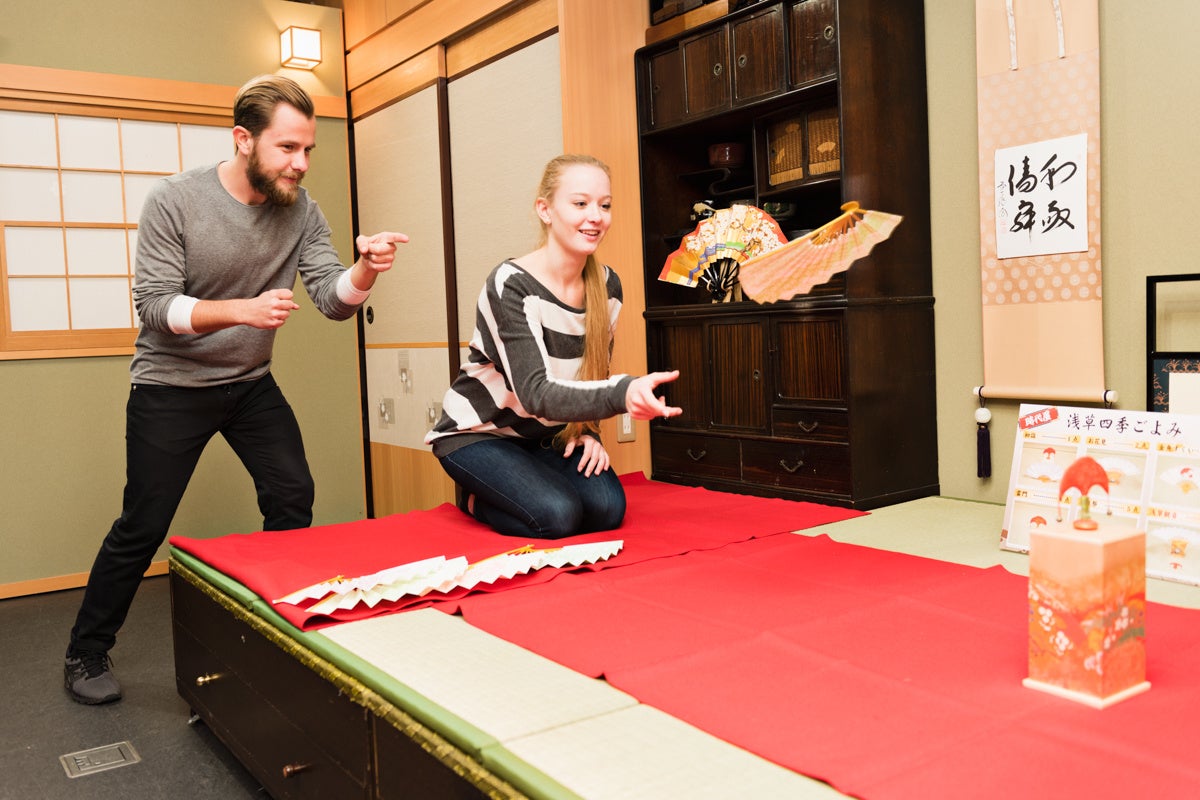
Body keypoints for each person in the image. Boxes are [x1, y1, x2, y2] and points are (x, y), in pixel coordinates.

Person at [64, 74, 408, 705]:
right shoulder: (175, 200)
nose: (300, 164)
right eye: (287, 148)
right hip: (171, 385)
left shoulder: (301, 209)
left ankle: (272, 624)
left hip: (249, 385)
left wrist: (365, 269)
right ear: (243, 139)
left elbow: (332, 301)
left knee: (292, 494)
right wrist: (241, 311)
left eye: (308, 150)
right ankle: (86, 650)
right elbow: (153, 307)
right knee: (143, 523)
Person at [425, 153, 681, 539]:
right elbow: (536, 393)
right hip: (479, 435)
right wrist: (624, 392)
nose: (595, 216)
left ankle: (525, 485)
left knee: (607, 509)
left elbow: (591, 372)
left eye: (604, 205)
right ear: (545, 210)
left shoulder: (607, 286)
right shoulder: (511, 284)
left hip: (544, 437)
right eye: (580, 203)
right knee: (557, 516)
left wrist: (589, 433)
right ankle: (475, 500)